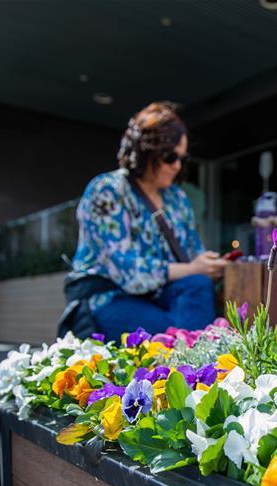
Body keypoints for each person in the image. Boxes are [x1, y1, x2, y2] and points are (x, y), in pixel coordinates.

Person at [66, 102, 226, 341]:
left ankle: (192, 359)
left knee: (199, 285)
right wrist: (193, 268)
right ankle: (195, 362)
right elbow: (125, 268)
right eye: (170, 156)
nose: (177, 166)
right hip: (111, 296)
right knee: (176, 335)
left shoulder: (177, 198)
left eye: (183, 158)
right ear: (145, 150)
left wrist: (211, 265)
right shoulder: (107, 190)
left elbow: (193, 255)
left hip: (164, 294)